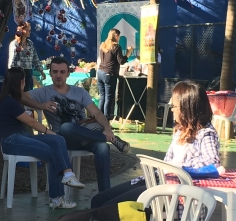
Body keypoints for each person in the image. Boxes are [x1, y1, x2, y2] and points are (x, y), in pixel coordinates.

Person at [91, 80, 221, 208]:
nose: (172, 110)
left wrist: (179, 168)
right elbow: (167, 161)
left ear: (187, 109)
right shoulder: (180, 131)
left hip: (172, 190)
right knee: (98, 200)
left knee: (107, 207)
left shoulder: (206, 133)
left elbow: (212, 163)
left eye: (175, 107)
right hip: (158, 180)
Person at [24, 57, 129, 193]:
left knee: (103, 148)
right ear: (50, 73)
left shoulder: (79, 92)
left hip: (84, 137)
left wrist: (108, 129)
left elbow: (96, 112)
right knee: (66, 127)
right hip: (62, 139)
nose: (58, 75)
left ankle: (105, 194)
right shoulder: (44, 92)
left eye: (62, 72)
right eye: (55, 72)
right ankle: (110, 139)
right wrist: (41, 105)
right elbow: (21, 96)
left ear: (68, 73)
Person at [0, 67, 84, 209]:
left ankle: (68, 174)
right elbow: (30, 122)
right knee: (54, 152)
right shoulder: (9, 101)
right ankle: (57, 198)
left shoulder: (13, 99)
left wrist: (52, 134)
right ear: (21, 82)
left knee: (59, 140)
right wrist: (48, 132)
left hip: (22, 137)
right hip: (11, 141)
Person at [96, 29, 128, 120]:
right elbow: (121, 61)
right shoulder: (116, 47)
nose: (119, 38)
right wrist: (128, 53)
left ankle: (98, 118)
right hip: (109, 74)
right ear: (116, 36)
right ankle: (105, 119)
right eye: (119, 36)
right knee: (109, 97)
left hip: (100, 72)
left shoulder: (103, 45)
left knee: (102, 96)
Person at [7, 22, 42, 91]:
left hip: (28, 72)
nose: (29, 32)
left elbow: (35, 57)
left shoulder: (30, 43)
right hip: (17, 73)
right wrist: (11, 73)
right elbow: (12, 60)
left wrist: (40, 70)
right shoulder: (14, 44)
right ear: (21, 30)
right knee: (17, 92)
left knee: (26, 92)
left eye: (30, 30)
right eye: (28, 30)